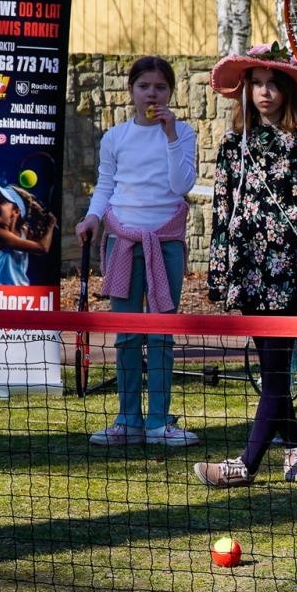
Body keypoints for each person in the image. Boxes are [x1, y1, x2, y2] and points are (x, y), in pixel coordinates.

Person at [194, 43, 297, 488]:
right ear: (245, 90)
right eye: (257, 84)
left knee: (276, 366)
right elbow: (222, 208)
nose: (265, 92)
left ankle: (246, 464)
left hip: (287, 269)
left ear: (288, 91)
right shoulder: (235, 144)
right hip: (249, 267)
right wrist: (220, 269)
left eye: (274, 84)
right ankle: (295, 450)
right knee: (272, 364)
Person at [78, 55, 200, 448]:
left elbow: (181, 184)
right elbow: (105, 184)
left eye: (160, 87)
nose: (152, 93)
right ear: (131, 90)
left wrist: (169, 137)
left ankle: (159, 421)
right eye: (144, 85)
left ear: (170, 93)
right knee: (128, 334)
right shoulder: (115, 138)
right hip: (122, 243)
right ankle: (127, 419)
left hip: (166, 243)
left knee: (162, 333)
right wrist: (93, 219)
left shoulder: (182, 132)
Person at [0, 181, 56, 286]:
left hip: (20, 295)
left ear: (16, 212)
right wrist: (50, 225)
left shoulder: (24, 231)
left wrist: (42, 221)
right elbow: (42, 248)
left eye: (1, 202)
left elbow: (40, 246)